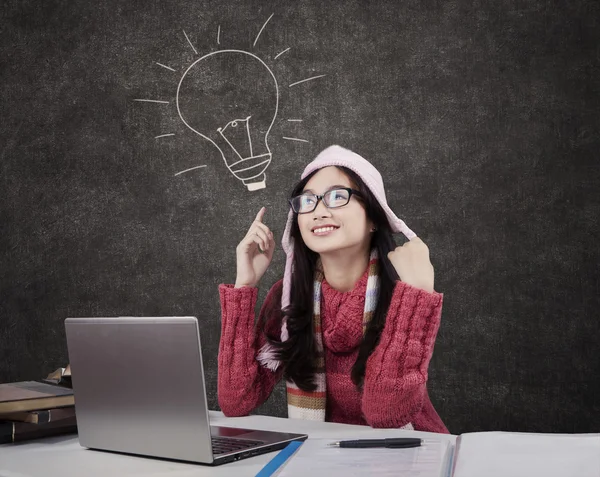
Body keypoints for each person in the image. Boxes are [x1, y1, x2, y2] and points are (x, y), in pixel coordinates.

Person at [217, 145, 448, 433]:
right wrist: (244, 286)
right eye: (307, 201)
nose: (319, 211)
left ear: (374, 216)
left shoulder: (404, 295)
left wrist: (417, 297)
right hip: (324, 458)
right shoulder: (289, 296)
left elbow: (386, 414)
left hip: (414, 454)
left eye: (338, 196)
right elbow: (236, 400)